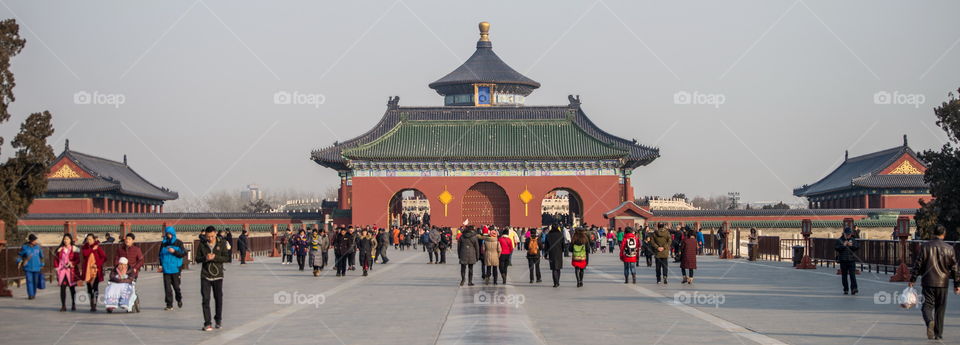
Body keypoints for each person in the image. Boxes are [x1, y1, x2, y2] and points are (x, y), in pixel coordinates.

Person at [909, 225, 960, 340]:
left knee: (926, 307)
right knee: (940, 308)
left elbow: (918, 264)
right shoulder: (949, 248)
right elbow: (955, 268)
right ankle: (938, 334)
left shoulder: (925, 247)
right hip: (943, 283)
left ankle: (929, 321)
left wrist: (913, 279)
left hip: (928, 282)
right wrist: (957, 284)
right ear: (944, 234)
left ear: (933, 233)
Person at [196, 226, 230, 331]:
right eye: (208, 236)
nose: (210, 238)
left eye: (211, 236)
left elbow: (227, 258)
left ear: (215, 233)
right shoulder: (202, 244)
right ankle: (207, 322)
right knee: (205, 299)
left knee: (218, 298)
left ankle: (218, 320)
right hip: (205, 275)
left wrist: (215, 257)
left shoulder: (222, 243)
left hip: (218, 275)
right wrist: (205, 258)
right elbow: (197, 259)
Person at [159, 226, 186, 310]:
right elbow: (160, 254)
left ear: (173, 234)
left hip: (176, 269)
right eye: (167, 234)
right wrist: (161, 264)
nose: (169, 235)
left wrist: (174, 252)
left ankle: (179, 299)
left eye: (170, 234)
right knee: (167, 288)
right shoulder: (163, 243)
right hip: (166, 269)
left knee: (176, 287)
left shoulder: (179, 243)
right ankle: (169, 304)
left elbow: (183, 254)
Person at [54, 234, 81, 311]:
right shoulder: (60, 250)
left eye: (67, 239)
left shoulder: (74, 249)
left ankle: (73, 303)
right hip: (62, 272)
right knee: (62, 288)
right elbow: (56, 260)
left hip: (71, 272)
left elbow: (78, 260)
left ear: (70, 240)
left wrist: (71, 263)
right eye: (65, 239)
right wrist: (56, 267)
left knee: (72, 289)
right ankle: (63, 305)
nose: (66, 241)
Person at [81, 233, 106, 311]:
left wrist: (97, 264)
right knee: (89, 287)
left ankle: (94, 304)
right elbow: (85, 254)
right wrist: (92, 249)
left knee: (95, 287)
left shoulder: (98, 247)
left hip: (96, 270)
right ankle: (91, 302)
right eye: (87, 239)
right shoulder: (85, 247)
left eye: (90, 239)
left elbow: (104, 257)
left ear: (94, 239)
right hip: (88, 270)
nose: (89, 241)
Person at [835, 227, 860, 295]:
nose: (849, 235)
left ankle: (854, 289)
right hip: (843, 260)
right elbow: (836, 248)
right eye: (847, 234)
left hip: (851, 260)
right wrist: (843, 245)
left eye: (850, 234)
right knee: (844, 276)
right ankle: (846, 289)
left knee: (852, 275)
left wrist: (851, 245)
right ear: (844, 234)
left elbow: (857, 247)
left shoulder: (853, 239)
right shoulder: (840, 240)